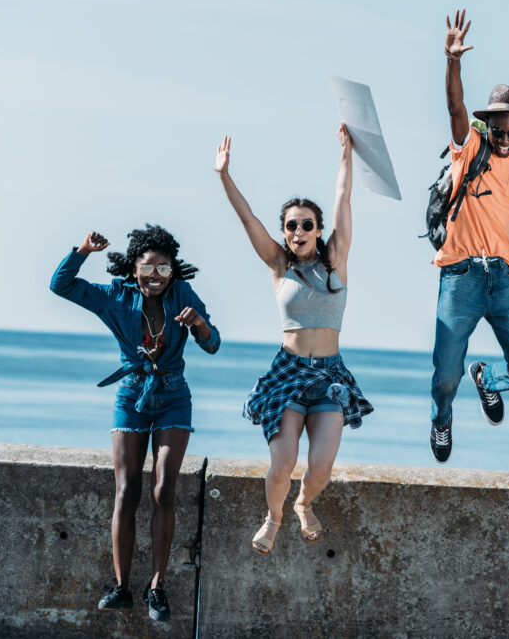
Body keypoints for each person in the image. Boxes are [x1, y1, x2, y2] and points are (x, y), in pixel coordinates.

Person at [213, 124, 372, 555]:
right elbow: (248, 219)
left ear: (318, 229)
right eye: (290, 225)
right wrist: (224, 175)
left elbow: (343, 199)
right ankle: (275, 516)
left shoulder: (335, 261)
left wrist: (346, 154)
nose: (298, 231)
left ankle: (304, 502)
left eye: (306, 224)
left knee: (320, 466)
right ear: (284, 231)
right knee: (282, 463)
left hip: (330, 375)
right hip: (288, 371)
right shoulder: (279, 266)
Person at [50, 225, 220, 621]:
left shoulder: (182, 295)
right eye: (149, 268)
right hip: (131, 396)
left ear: (173, 272)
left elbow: (212, 344)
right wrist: (82, 251)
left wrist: (198, 323)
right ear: (134, 269)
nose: (157, 277)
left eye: (165, 269)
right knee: (127, 490)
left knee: (164, 488)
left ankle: (157, 586)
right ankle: (121, 586)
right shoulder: (114, 296)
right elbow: (61, 285)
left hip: (174, 396)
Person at [429, 8, 509, 463]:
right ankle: (442, 419)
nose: (504, 140)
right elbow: (455, 107)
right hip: (460, 274)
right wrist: (452, 61)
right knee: (444, 375)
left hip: (504, 276)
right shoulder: (471, 146)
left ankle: (486, 379)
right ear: (489, 125)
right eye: (498, 130)